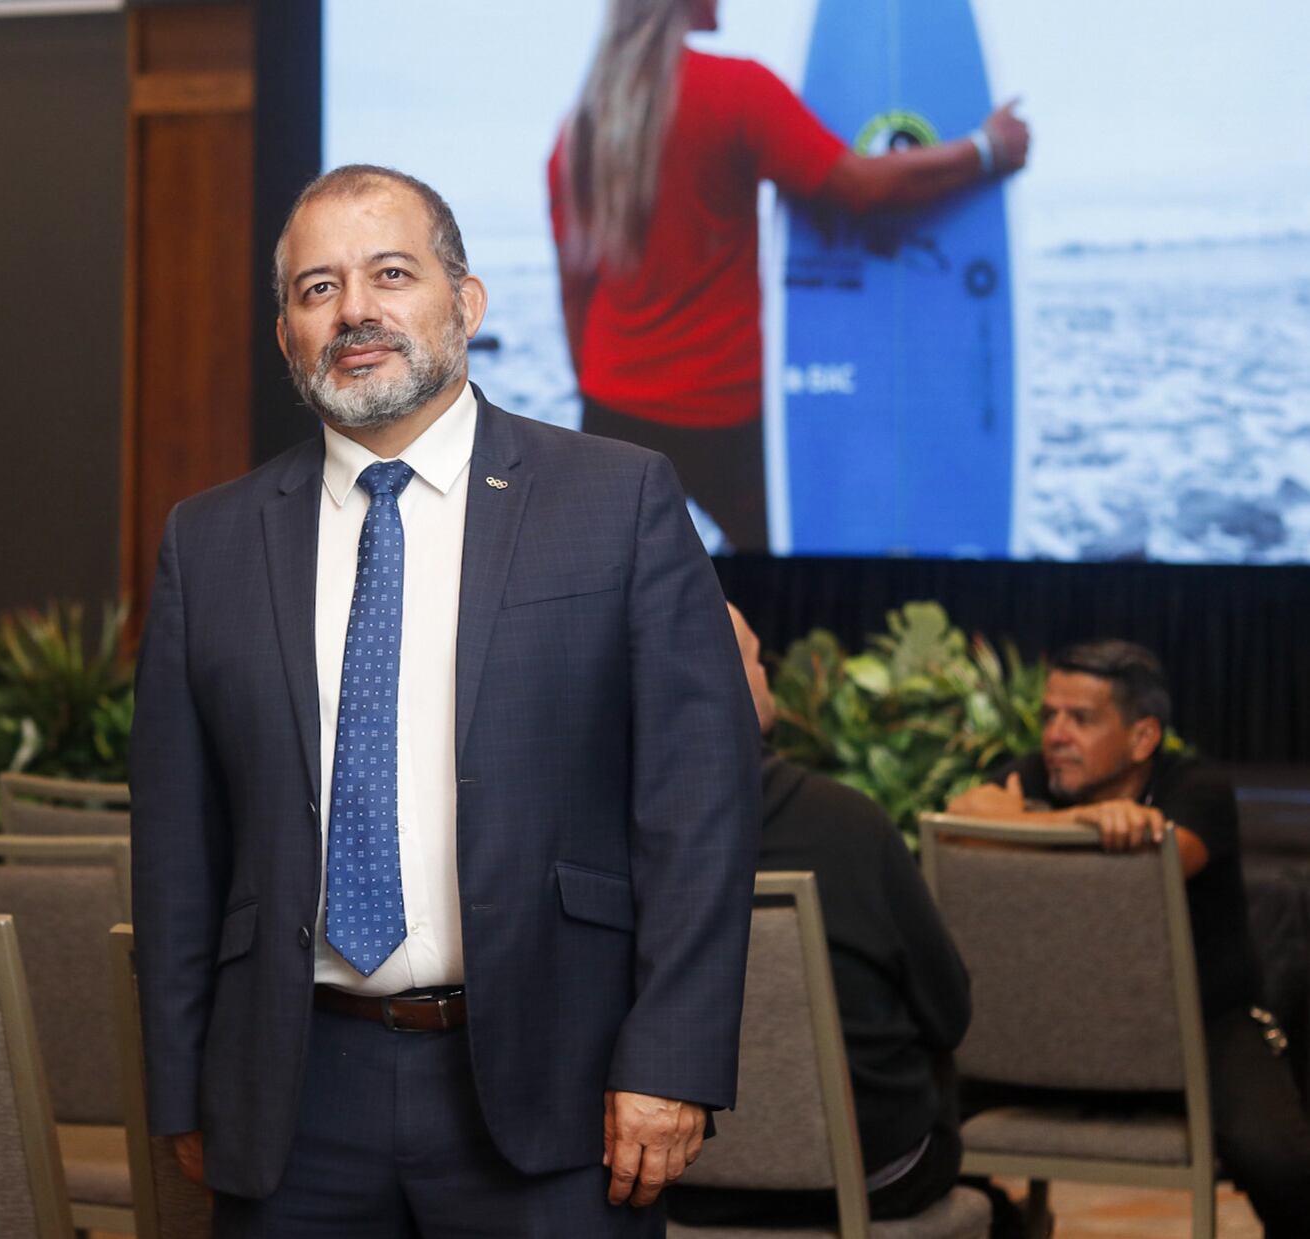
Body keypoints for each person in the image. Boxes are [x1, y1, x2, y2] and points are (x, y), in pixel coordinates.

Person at [129, 164, 761, 1238]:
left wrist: (671, 1060)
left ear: (463, 304)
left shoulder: (617, 501)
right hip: (290, 1094)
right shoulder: (210, 540)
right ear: (285, 331)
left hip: (557, 1086)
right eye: (315, 288)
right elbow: (180, 843)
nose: (355, 310)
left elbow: (698, 808)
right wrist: (184, 1083)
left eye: (389, 274)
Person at [548, 0, 1029, 551]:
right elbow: (860, 188)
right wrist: (986, 150)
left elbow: (574, 291)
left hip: (612, 407)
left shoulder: (579, 129)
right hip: (719, 410)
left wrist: (597, 387)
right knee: (775, 578)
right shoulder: (736, 91)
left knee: (613, 597)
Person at [946, 640, 1310, 1236]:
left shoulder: (1198, 786)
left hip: (1202, 1024)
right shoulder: (1045, 775)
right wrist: (1080, 821)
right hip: (1063, 1025)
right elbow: (960, 820)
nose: (1056, 735)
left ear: (1143, 738)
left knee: (1279, 1158)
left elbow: (1167, 862)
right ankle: (1009, 1226)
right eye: (1050, 715)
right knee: (910, 1127)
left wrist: (1018, 827)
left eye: (1080, 719)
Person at [667, 605, 972, 1227]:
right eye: (757, 658)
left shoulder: (597, 842)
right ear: (731, 679)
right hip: (868, 1177)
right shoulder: (850, 826)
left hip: (674, 1178)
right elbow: (949, 1014)